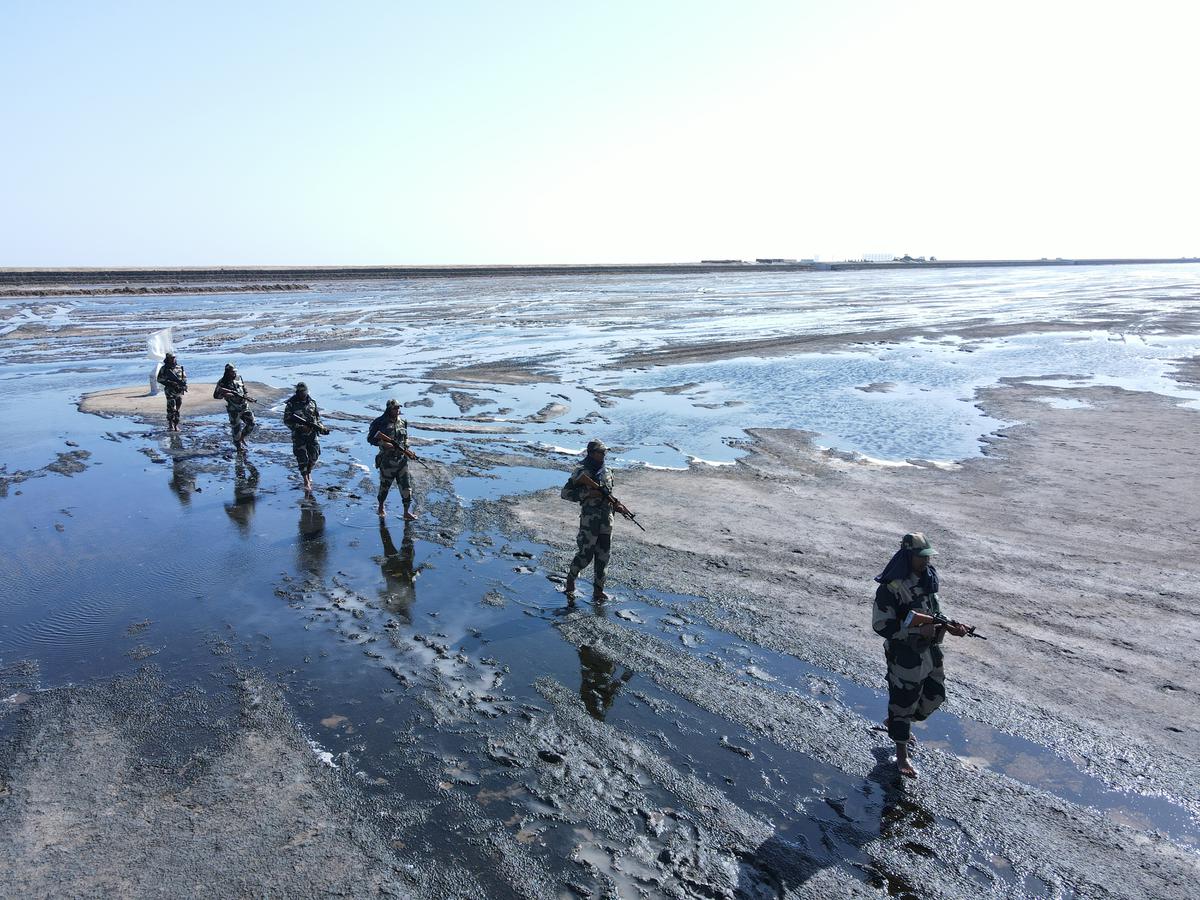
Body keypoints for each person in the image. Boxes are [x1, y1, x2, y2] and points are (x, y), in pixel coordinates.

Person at [872, 532, 972, 778]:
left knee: (935, 696)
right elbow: (881, 625)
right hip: (904, 656)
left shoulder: (928, 579)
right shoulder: (892, 588)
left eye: (928, 556)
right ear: (908, 556)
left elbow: (934, 612)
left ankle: (897, 722)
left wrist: (950, 626)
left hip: (929, 652)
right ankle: (901, 754)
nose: (926, 561)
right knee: (903, 701)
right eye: (921, 557)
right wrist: (914, 630)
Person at [563, 439, 616, 602]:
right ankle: (571, 579)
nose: (604, 454)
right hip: (589, 522)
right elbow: (565, 493)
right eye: (601, 452)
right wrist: (588, 494)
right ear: (591, 453)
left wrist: (616, 506)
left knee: (603, 557)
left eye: (605, 452)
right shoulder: (581, 472)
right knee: (585, 555)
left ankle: (598, 591)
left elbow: (609, 494)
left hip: (606, 521)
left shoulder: (608, 471)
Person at [368, 399, 418, 520]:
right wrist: (383, 443)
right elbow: (370, 438)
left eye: (398, 408)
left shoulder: (403, 422)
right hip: (387, 461)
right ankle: (381, 506)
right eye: (395, 408)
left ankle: (406, 512)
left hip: (402, 460)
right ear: (389, 409)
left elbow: (405, 438)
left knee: (406, 487)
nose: (397, 410)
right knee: (385, 487)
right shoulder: (380, 422)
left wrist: (408, 450)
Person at [283, 382, 328, 492]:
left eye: (304, 392)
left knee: (314, 456)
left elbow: (317, 419)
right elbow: (287, 421)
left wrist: (321, 428)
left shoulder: (312, 403)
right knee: (302, 458)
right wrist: (300, 427)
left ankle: (308, 471)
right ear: (297, 392)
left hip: (312, 435)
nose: (303, 394)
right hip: (299, 436)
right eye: (300, 392)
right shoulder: (291, 404)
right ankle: (305, 480)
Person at [212, 363, 256, 452]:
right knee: (236, 428)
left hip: (244, 406)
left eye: (235, 371)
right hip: (233, 409)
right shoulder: (222, 382)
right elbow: (216, 396)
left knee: (251, 423)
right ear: (227, 372)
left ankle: (242, 437)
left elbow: (244, 389)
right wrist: (226, 394)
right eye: (232, 372)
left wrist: (247, 397)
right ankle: (238, 446)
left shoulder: (239, 378)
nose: (234, 373)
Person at [155, 353, 187, 431]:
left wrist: (184, 385)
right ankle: (170, 424)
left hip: (178, 391)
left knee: (178, 408)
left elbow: (184, 378)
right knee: (171, 408)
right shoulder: (164, 368)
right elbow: (159, 379)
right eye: (171, 358)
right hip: (170, 391)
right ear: (168, 359)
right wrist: (170, 383)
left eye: (174, 358)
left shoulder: (179, 367)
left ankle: (176, 424)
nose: (173, 359)